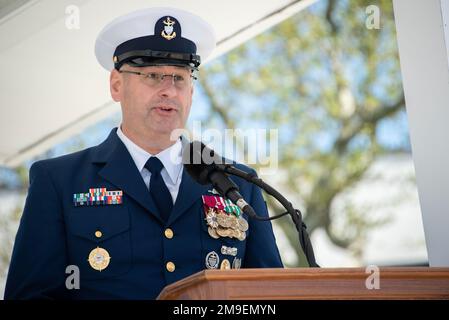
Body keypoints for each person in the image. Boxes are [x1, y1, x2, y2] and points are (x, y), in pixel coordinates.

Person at [4, 7, 283, 300]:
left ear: (191, 91)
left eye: (179, 78)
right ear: (116, 85)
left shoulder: (238, 183)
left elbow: (272, 295)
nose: (169, 91)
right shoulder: (59, 181)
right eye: (152, 75)